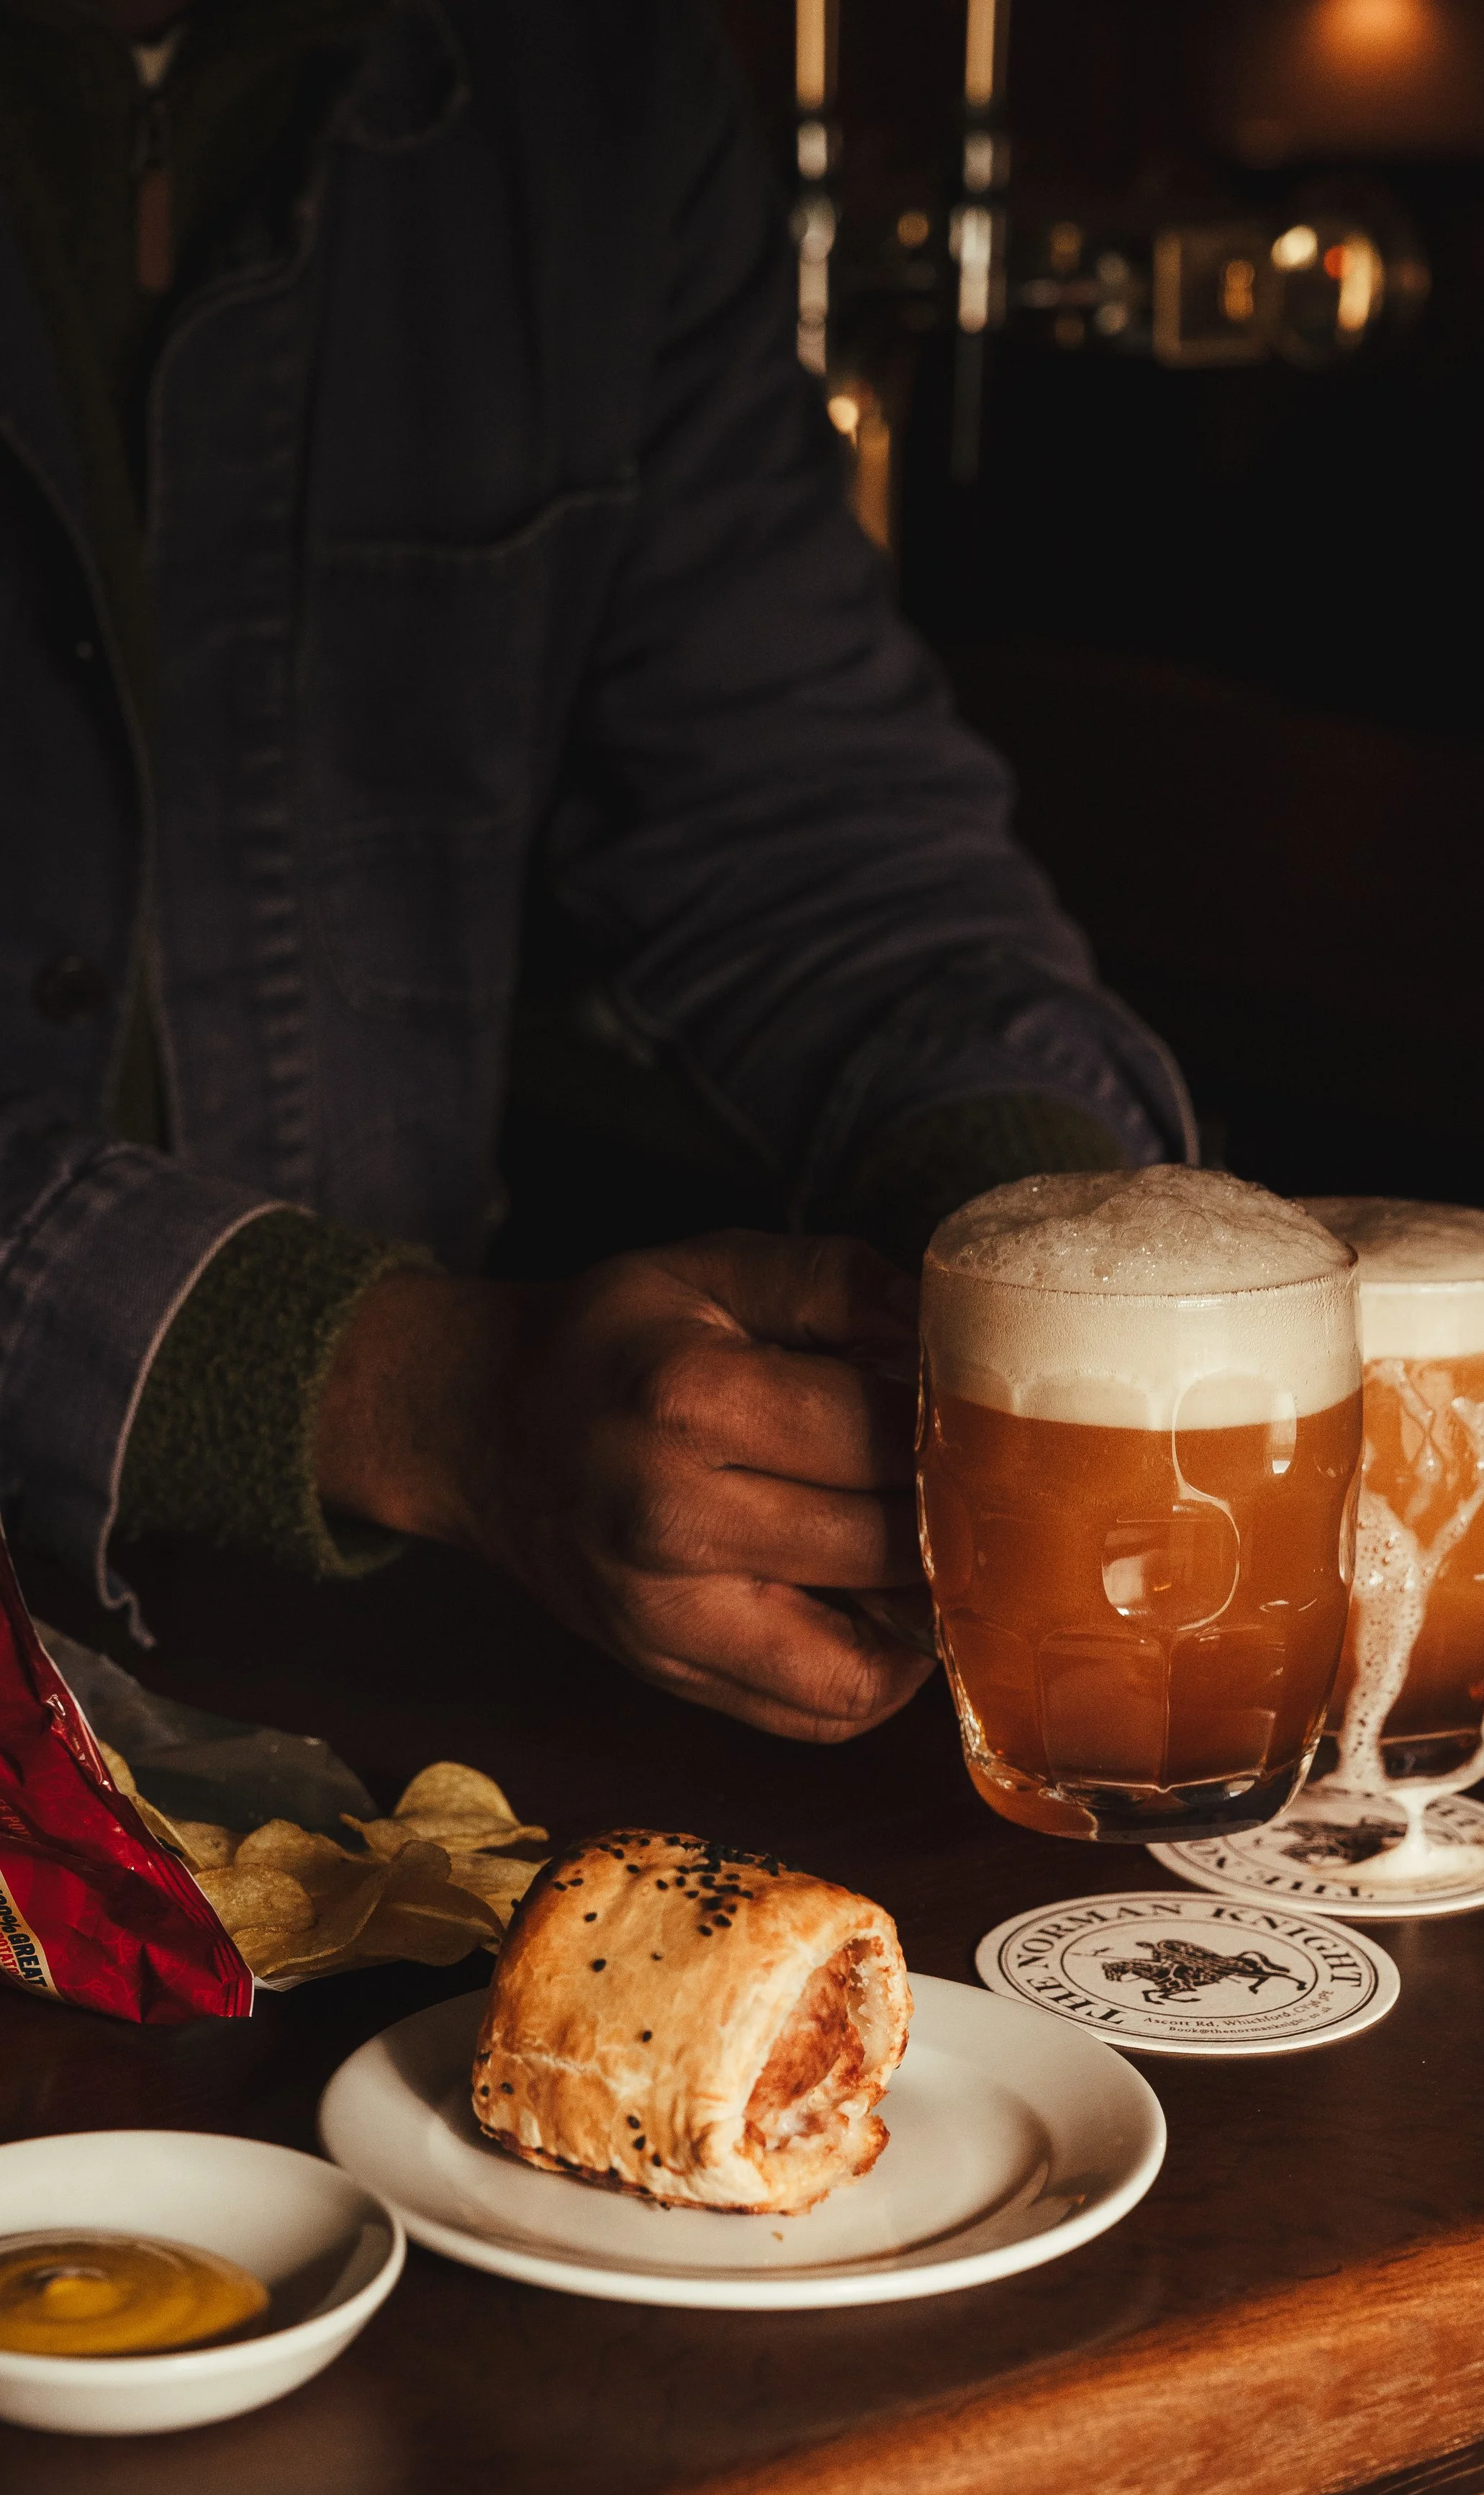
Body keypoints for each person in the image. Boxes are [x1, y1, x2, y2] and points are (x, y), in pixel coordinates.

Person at [0, 0, 1191, 1738]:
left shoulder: (588, 86)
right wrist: (414, 1399)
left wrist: (1035, 1253)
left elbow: (815, 838)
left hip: (333, 1709)